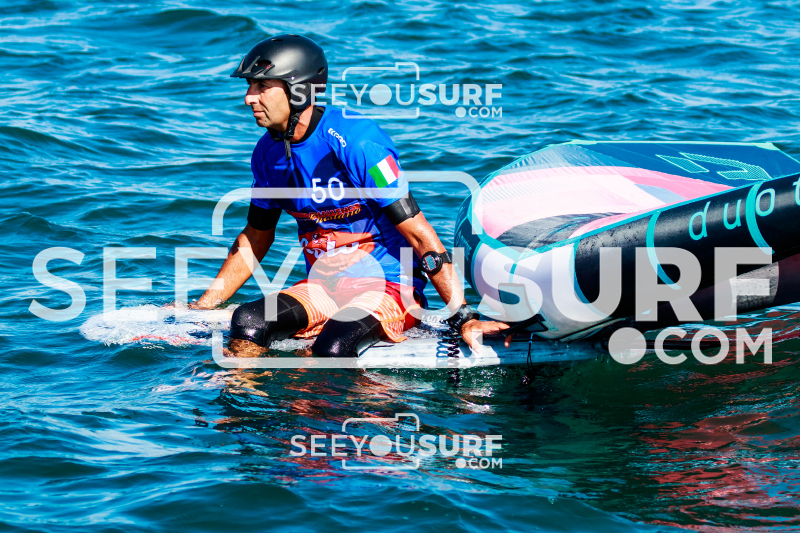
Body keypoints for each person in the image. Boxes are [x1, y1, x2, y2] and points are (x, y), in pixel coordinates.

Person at [193, 34, 509, 356]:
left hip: (390, 287)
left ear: (299, 89)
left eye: (262, 86)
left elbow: (418, 233)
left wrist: (463, 315)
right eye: (250, 86)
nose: (249, 98)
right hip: (323, 288)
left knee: (333, 346)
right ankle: (242, 388)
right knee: (247, 322)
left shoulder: (358, 142)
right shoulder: (267, 154)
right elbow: (256, 237)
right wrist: (202, 307)